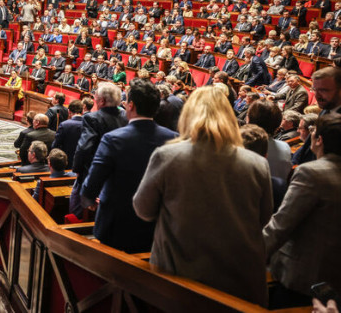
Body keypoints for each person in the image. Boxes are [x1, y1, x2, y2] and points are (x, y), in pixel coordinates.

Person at [133, 86, 272, 306]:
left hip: (181, 280)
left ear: (188, 115)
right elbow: (263, 219)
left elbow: (143, 209)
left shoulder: (168, 155)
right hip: (239, 282)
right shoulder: (257, 164)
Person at [81, 79, 178, 253]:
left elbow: (93, 182)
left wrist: (88, 199)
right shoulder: (173, 138)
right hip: (156, 224)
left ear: (130, 105)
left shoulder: (113, 139)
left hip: (116, 226)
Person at [264, 112, 341, 306]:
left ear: (319, 140)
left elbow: (281, 226)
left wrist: (248, 254)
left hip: (301, 278)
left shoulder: (311, 173)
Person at [71, 83, 128, 219]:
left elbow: (84, 147)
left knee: (77, 206)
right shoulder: (126, 116)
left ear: (102, 100)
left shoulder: (92, 118)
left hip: (94, 171)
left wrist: (77, 168)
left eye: (95, 97)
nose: (94, 100)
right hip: (119, 172)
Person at [52, 100, 85, 169]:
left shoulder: (64, 125)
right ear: (82, 112)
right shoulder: (88, 125)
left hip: (66, 163)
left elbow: (55, 145)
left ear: (69, 111)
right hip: (82, 163)